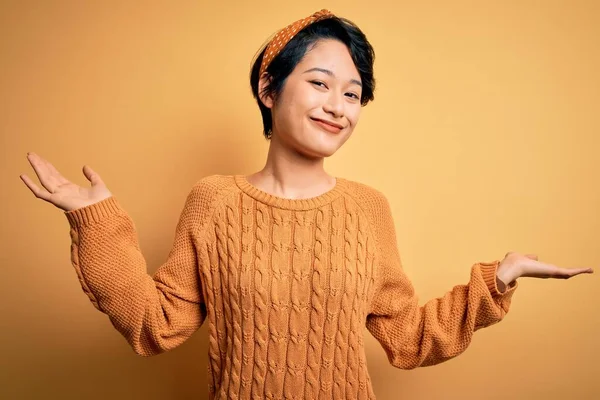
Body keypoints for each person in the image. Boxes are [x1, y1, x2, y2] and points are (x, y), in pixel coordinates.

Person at [20, 9, 594, 400]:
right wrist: (95, 220)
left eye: (352, 94)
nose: (338, 107)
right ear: (270, 90)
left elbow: (408, 336)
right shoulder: (213, 202)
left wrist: (499, 278)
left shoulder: (368, 210)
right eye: (320, 84)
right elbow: (156, 325)